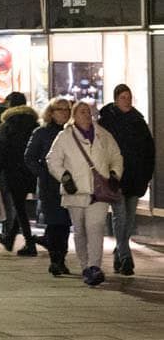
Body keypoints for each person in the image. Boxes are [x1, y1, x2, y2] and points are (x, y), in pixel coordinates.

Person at [46, 99, 124, 287]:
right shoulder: (64, 137)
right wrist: (65, 177)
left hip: (99, 193)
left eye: (88, 111)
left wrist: (114, 174)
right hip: (75, 192)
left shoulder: (103, 135)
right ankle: (84, 265)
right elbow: (53, 160)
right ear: (74, 115)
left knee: (96, 227)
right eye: (81, 112)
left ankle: (94, 267)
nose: (86, 115)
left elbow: (116, 156)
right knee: (80, 230)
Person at [98, 83, 154, 277]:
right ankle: (125, 257)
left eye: (129, 97)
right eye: (123, 97)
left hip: (136, 177)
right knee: (120, 217)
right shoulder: (107, 121)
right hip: (116, 177)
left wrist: (147, 175)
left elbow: (149, 150)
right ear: (116, 99)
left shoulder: (138, 121)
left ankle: (119, 252)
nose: (127, 101)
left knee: (129, 220)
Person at [25, 97, 74, 277]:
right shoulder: (41, 133)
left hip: (70, 184)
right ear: (51, 112)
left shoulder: (72, 132)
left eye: (67, 109)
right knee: (54, 222)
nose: (64, 113)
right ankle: (55, 260)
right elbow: (29, 157)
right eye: (60, 109)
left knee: (66, 223)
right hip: (50, 185)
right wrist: (43, 173)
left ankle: (61, 258)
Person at [0, 96, 40, 256]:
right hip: (30, 171)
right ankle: (10, 238)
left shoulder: (8, 125)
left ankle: (29, 243)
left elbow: (1, 151)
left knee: (19, 206)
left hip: (12, 171)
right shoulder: (35, 125)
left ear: (10, 105)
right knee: (21, 206)